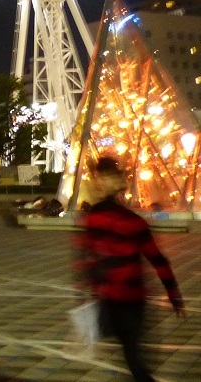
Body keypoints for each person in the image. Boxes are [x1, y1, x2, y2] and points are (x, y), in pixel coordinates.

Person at [74, 156, 185, 381]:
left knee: (130, 354)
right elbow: (158, 260)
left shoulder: (92, 218)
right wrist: (174, 295)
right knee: (134, 353)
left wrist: (84, 292)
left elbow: (83, 258)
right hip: (134, 297)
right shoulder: (134, 222)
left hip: (110, 298)